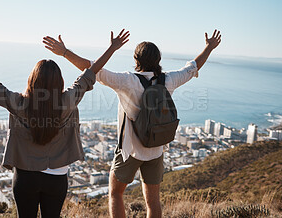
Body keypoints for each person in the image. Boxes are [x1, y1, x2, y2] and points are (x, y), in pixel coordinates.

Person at [0, 29, 129, 218]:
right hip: (57, 176)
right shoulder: (68, 101)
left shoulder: (19, 103)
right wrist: (112, 48)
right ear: (58, 81)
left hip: (25, 176)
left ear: (32, 80)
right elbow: (90, 73)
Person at [43, 29, 221, 218]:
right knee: (153, 201)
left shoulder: (127, 81)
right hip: (156, 149)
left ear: (136, 60)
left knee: (115, 193)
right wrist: (209, 47)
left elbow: (93, 68)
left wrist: (64, 52)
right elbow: (192, 68)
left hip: (130, 149)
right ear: (158, 60)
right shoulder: (168, 80)